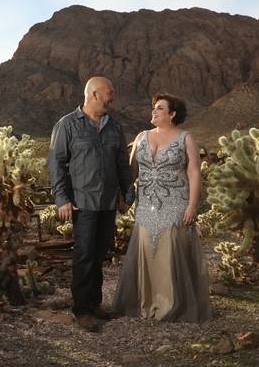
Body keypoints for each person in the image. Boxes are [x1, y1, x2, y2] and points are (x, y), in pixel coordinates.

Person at [112, 93, 211, 322]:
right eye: (153, 108)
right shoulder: (141, 137)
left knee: (170, 250)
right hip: (146, 204)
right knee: (147, 249)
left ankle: (173, 305)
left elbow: (194, 172)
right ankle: (147, 302)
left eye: (159, 108)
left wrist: (192, 205)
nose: (153, 112)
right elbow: (132, 171)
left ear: (172, 114)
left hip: (175, 202)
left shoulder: (186, 138)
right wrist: (126, 198)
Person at [48, 77, 134, 331]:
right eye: (110, 92)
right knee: (84, 255)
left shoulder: (114, 127)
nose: (113, 97)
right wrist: (62, 199)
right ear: (94, 94)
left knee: (98, 255)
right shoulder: (67, 125)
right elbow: (56, 165)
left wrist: (126, 195)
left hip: (108, 202)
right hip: (81, 203)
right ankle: (82, 310)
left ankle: (95, 304)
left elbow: (122, 164)